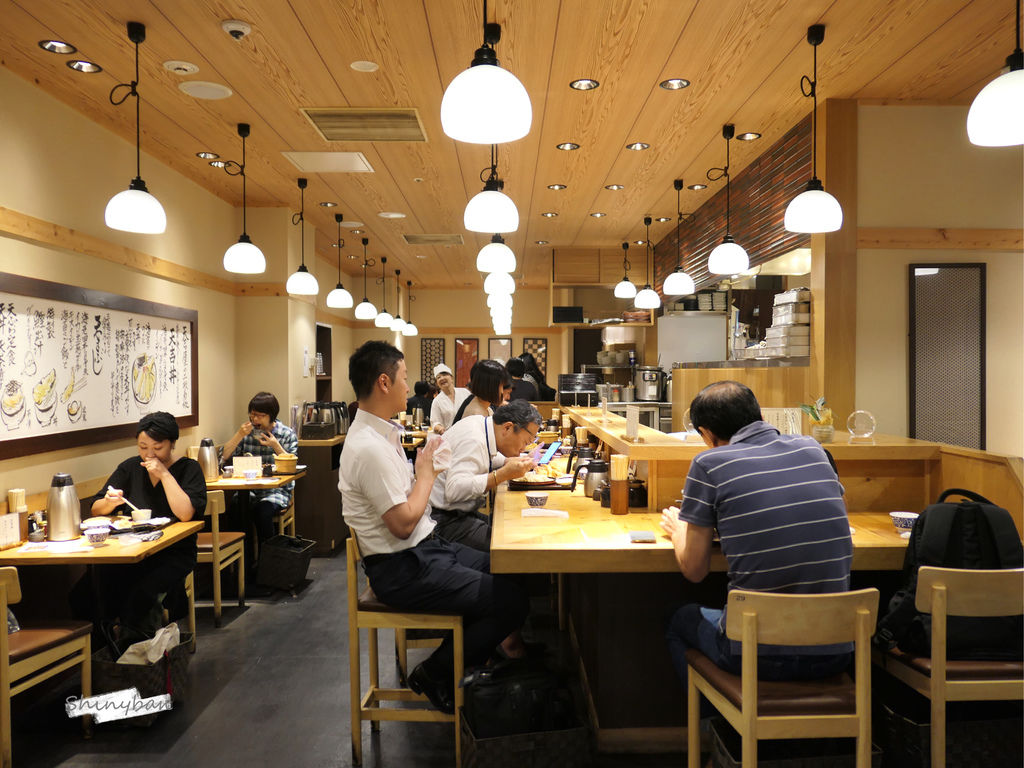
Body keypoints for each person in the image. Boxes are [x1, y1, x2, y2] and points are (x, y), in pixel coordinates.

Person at [339, 340, 529, 714]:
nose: (409, 388)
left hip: (424, 548)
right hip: (402, 566)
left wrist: (427, 467)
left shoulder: (382, 434)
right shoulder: (367, 447)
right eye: (404, 379)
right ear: (383, 383)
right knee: (512, 600)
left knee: (509, 567)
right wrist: (427, 472)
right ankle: (436, 672)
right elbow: (403, 523)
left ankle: (474, 661)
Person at [660, 380, 853, 696]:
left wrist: (679, 531)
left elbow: (695, 570)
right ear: (758, 414)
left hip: (755, 655)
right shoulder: (813, 449)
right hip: (835, 652)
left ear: (707, 434)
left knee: (678, 619)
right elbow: (840, 514)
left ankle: (717, 730)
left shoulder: (709, 463)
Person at [79, 412, 205, 641]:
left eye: (157, 447)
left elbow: (186, 514)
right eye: (143, 446)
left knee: (142, 593)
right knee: (87, 590)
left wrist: (165, 475)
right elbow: (95, 509)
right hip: (131, 552)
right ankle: (104, 652)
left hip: (174, 553)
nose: (149, 454)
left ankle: (138, 657)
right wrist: (110, 502)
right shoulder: (129, 468)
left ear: (172, 443)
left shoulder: (189, 469)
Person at [429, 400, 541, 551]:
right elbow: (454, 490)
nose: (524, 448)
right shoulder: (473, 438)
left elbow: (482, 456)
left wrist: (508, 460)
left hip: (460, 513)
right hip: (444, 521)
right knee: (514, 548)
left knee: (511, 528)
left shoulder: (480, 425)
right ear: (507, 427)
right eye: (526, 441)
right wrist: (502, 475)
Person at [220, 392, 298, 576]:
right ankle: (243, 568)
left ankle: (267, 568)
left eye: (260, 415)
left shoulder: (286, 434)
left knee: (263, 512)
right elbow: (223, 457)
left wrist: (275, 446)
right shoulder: (246, 435)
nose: (255, 419)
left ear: (272, 416)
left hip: (276, 490)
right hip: (249, 488)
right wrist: (239, 434)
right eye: (252, 414)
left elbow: (293, 464)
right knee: (236, 508)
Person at [451, 359, 511, 425]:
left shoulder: (486, 408)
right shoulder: (476, 415)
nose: (502, 391)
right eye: (501, 386)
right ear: (491, 388)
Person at [429, 363, 469, 434]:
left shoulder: (465, 393)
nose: (442, 378)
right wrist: (440, 429)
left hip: (467, 434)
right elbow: (435, 423)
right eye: (438, 377)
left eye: (444, 375)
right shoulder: (437, 401)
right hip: (449, 437)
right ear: (437, 384)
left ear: (452, 378)